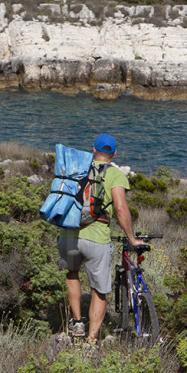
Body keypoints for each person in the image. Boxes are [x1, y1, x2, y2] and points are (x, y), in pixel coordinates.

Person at [58, 133, 144, 343]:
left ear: (93, 149)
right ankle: (91, 340)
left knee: (72, 274)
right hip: (96, 237)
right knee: (99, 289)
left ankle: (77, 322)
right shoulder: (114, 174)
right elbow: (121, 209)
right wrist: (132, 239)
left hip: (68, 233)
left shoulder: (77, 168)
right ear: (114, 153)